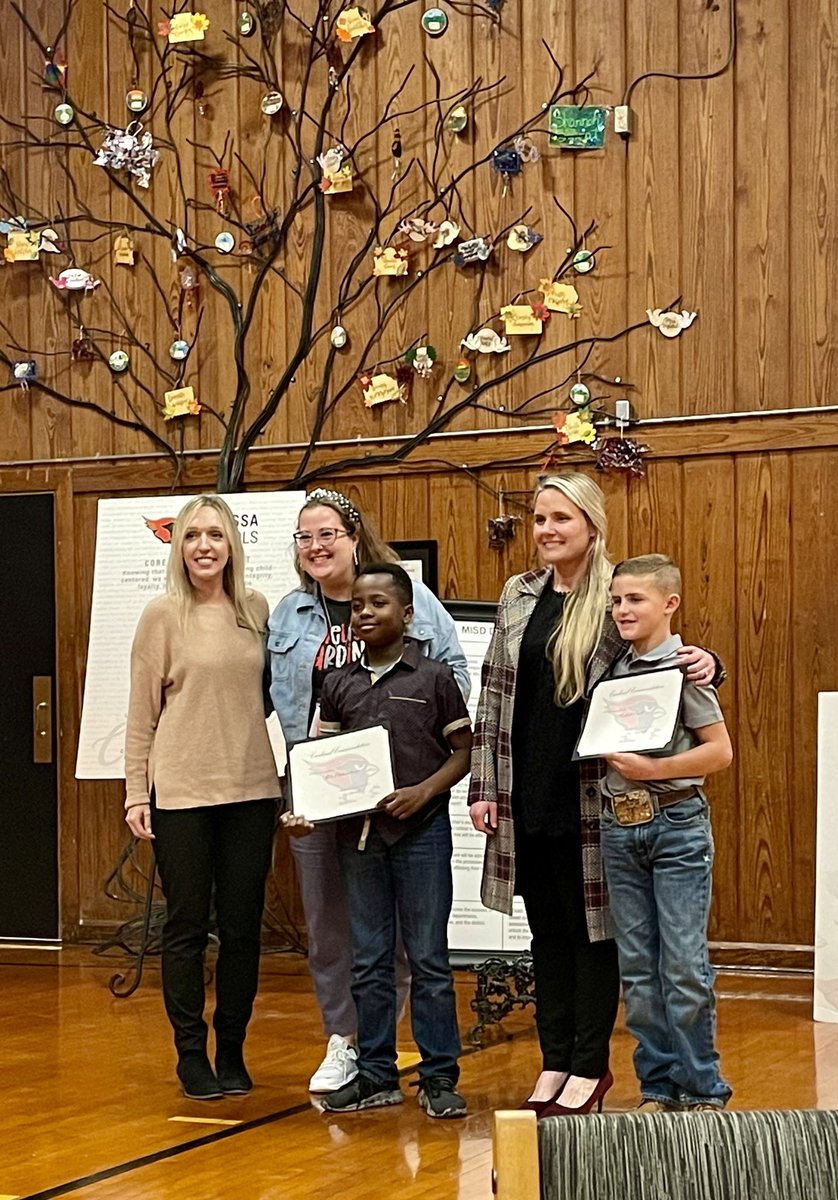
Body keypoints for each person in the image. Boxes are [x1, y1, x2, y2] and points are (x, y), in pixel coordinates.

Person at [468, 473, 722, 1117]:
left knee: (596, 939)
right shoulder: (518, 594)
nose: (548, 530)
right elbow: (493, 699)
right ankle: (553, 1062)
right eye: (540, 519)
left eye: (562, 518)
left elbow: (657, 660)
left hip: (593, 799)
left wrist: (708, 661)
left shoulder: (614, 597)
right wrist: (484, 785)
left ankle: (590, 1066)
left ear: (591, 525)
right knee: (547, 935)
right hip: (525, 794)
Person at [268, 488, 470, 1093]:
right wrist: (299, 794)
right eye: (304, 537)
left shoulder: (413, 600)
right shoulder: (286, 615)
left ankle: (404, 1050)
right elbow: (275, 703)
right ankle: (346, 1042)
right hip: (318, 790)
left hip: (405, 800)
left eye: (327, 532)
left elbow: (453, 676)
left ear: (354, 538)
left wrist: (413, 761)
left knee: (412, 939)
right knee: (332, 923)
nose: (316, 546)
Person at [124, 495, 280, 1101]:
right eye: (193, 536)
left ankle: (233, 1050)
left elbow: (273, 697)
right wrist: (138, 790)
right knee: (187, 926)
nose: (205, 546)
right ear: (179, 547)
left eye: (216, 535)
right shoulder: (161, 616)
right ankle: (192, 1055)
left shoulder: (256, 611)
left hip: (251, 791)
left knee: (242, 929)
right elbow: (142, 715)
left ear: (232, 545)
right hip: (181, 794)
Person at [598, 554, 733, 1112]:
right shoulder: (611, 671)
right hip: (618, 826)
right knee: (637, 966)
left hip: (676, 824)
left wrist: (652, 770)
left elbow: (720, 751)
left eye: (635, 599)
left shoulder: (685, 669)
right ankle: (656, 1084)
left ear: (670, 603)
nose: (622, 610)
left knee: (681, 965)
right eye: (616, 600)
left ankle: (702, 1086)